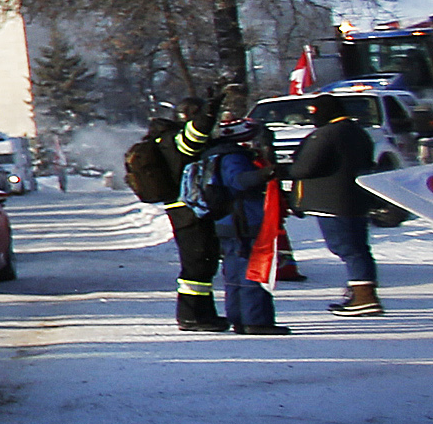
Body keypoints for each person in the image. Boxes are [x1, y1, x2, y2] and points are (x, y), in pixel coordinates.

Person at [127, 103, 224, 332]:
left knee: (202, 263)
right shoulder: (173, 140)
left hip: (182, 207)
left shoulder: (163, 139)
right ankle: (192, 316)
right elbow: (194, 139)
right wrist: (208, 114)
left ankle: (204, 313)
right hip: (188, 209)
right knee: (197, 264)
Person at [292, 95, 384, 318]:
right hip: (356, 198)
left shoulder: (325, 135)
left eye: (313, 112)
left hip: (331, 201)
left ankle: (364, 297)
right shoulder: (358, 132)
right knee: (359, 247)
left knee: (347, 248)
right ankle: (363, 292)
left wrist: (286, 168)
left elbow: (303, 168)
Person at [200, 111, 288, 336]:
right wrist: (266, 174)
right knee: (253, 270)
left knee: (234, 272)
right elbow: (239, 181)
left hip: (227, 221)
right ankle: (256, 320)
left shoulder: (213, 155)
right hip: (244, 220)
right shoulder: (234, 157)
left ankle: (238, 317)